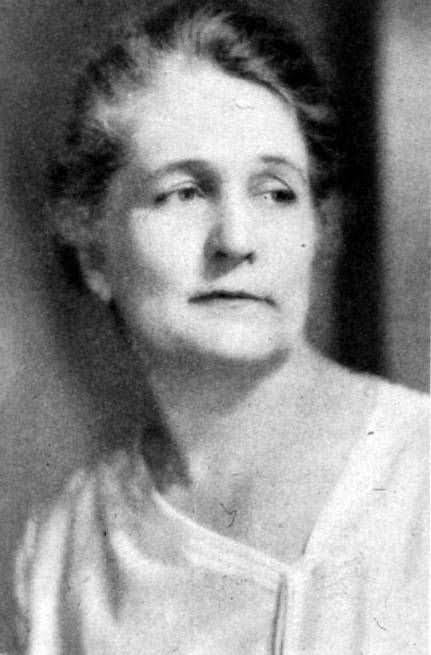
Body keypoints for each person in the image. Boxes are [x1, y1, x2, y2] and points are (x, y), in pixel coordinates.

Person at [13, 1, 428, 653]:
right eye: (183, 192)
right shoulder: (62, 557)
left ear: (316, 230)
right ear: (93, 252)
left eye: (276, 192)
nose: (236, 239)